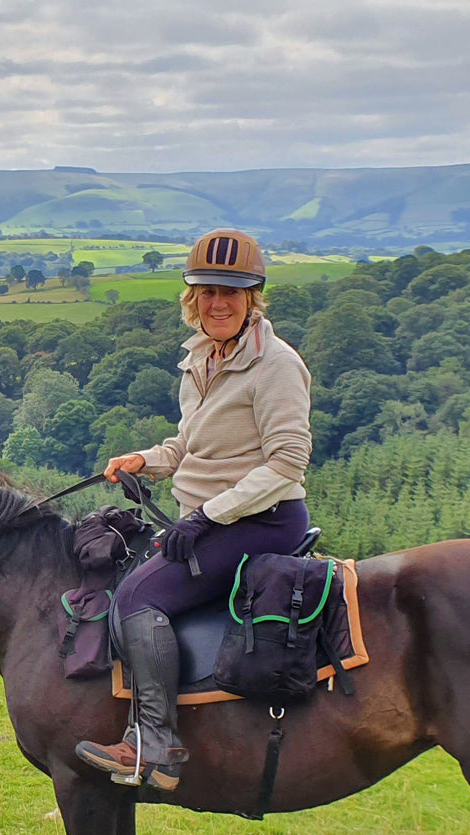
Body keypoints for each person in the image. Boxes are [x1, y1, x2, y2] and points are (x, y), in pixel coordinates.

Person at [75, 228, 312, 791]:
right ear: (193, 298)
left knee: (137, 596)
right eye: (208, 291)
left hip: (263, 520)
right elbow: (189, 444)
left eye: (232, 292)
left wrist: (208, 517)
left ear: (252, 299)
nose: (218, 303)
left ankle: (155, 746)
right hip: (210, 519)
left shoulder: (276, 365)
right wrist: (145, 460)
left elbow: (287, 462)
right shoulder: (201, 358)